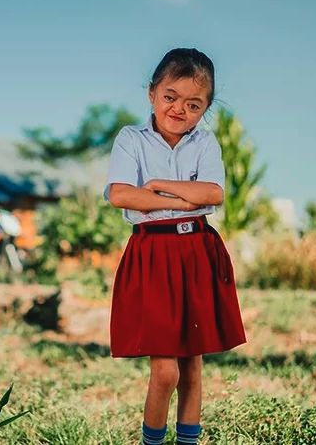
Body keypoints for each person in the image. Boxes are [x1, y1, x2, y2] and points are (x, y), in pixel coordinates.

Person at [103, 48, 247, 445]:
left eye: (193, 104)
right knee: (166, 371)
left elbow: (213, 194)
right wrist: (182, 200)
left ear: (205, 109)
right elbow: (121, 195)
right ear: (152, 93)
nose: (179, 109)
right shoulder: (131, 139)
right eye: (170, 96)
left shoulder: (204, 143)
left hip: (197, 253)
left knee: (193, 368)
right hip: (153, 255)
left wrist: (159, 185)